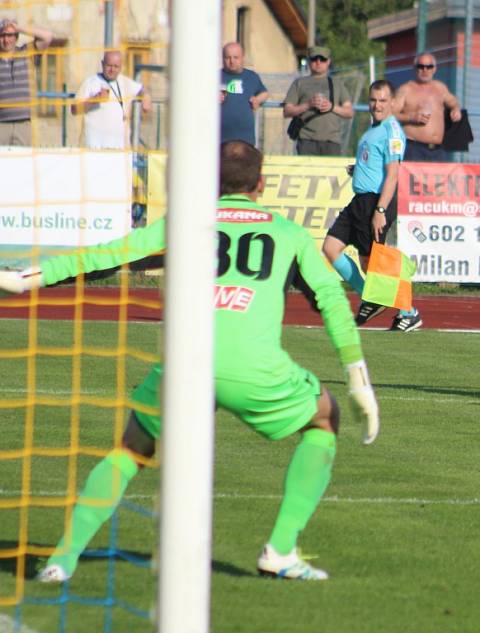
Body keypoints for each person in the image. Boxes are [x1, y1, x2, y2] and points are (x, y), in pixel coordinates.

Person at [0, 141, 380, 582]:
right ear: (261, 184)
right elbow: (331, 300)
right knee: (323, 420)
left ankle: (61, 562)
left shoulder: (186, 224)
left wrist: (27, 278)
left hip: (185, 361)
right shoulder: (289, 232)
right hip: (252, 369)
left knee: (130, 450)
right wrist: (357, 379)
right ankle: (279, 550)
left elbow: (108, 255)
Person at [322, 79, 422, 333]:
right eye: (374, 100)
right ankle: (373, 297)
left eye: (382, 101)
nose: (377, 105)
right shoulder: (371, 130)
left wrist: (380, 211)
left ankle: (408, 312)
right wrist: (358, 171)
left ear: (391, 103)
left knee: (374, 264)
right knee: (331, 247)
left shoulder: (392, 131)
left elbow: (393, 174)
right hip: (359, 200)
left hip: (375, 202)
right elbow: (376, 166)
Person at [71, 50, 152, 149]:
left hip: (119, 149)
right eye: (109, 66)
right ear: (102, 64)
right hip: (93, 147)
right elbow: (74, 110)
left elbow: (143, 89)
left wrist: (146, 97)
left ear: (121, 67)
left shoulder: (125, 82)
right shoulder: (90, 82)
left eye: (116, 66)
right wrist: (95, 99)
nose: (112, 70)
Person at [283, 46, 354, 156]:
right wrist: (307, 105)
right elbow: (287, 111)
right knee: (307, 173)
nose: (318, 62)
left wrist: (331, 107)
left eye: (322, 59)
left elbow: (349, 112)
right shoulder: (299, 83)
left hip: (331, 142)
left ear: (328, 61)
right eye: (314, 59)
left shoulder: (337, 83)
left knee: (331, 173)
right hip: (306, 141)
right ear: (309, 61)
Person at [393, 51, 461, 162]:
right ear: (415, 68)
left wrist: (455, 109)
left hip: (438, 150)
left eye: (429, 67)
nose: (425, 70)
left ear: (434, 69)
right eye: (421, 66)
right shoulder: (406, 89)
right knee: (413, 180)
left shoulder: (440, 88)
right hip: (414, 149)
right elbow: (390, 114)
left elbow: (453, 101)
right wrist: (411, 117)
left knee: (440, 180)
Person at [0, 18, 52, 146]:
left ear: (16, 36)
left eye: (10, 35)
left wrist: (19, 28)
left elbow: (47, 37)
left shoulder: (27, 52)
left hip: (24, 124)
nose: (6, 40)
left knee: (23, 164)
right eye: (2, 36)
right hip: (1, 123)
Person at [220, 42, 269, 146]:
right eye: (227, 58)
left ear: (242, 58)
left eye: (235, 57)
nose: (231, 61)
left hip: (245, 138)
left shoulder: (251, 77)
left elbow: (264, 93)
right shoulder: (214, 76)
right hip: (220, 139)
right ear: (222, 58)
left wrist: (257, 100)